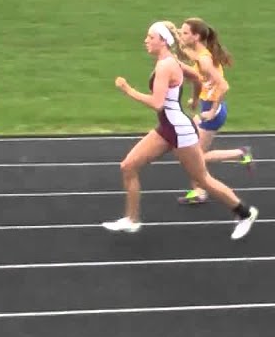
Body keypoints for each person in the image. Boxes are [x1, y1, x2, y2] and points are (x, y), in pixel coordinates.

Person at [103, 20, 259, 240]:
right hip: (167, 127)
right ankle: (131, 220)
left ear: (163, 41)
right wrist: (195, 100)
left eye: (150, 37)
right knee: (128, 166)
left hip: (180, 131)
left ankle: (244, 213)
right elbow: (196, 78)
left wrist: (128, 90)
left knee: (202, 179)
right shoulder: (170, 60)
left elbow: (158, 103)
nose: (145, 41)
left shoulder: (165, 65)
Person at [175, 16, 254, 205]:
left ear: (196, 36)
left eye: (185, 32)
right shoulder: (200, 52)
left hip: (212, 112)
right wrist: (175, 34)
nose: (182, 34)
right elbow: (188, 55)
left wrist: (211, 111)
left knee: (197, 158)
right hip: (205, 106)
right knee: (193, 154)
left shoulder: (204, 60)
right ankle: (199, 190)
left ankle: (241, 153)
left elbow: (223, 85)